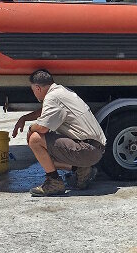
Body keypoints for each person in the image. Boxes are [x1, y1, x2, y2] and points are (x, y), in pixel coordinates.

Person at [12, 69, 106, 197]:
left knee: (35, 139)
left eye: (33, 90)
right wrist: (25, 118)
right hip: (94, 149)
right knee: (44, 157)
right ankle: (82, 170)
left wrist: (30, 129)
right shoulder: (61, 92)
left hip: (87, 150)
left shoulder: (53, 97)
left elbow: (42, 128)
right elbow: (44, 111)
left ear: (38, 88)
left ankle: (54, 183)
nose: (33, 93)